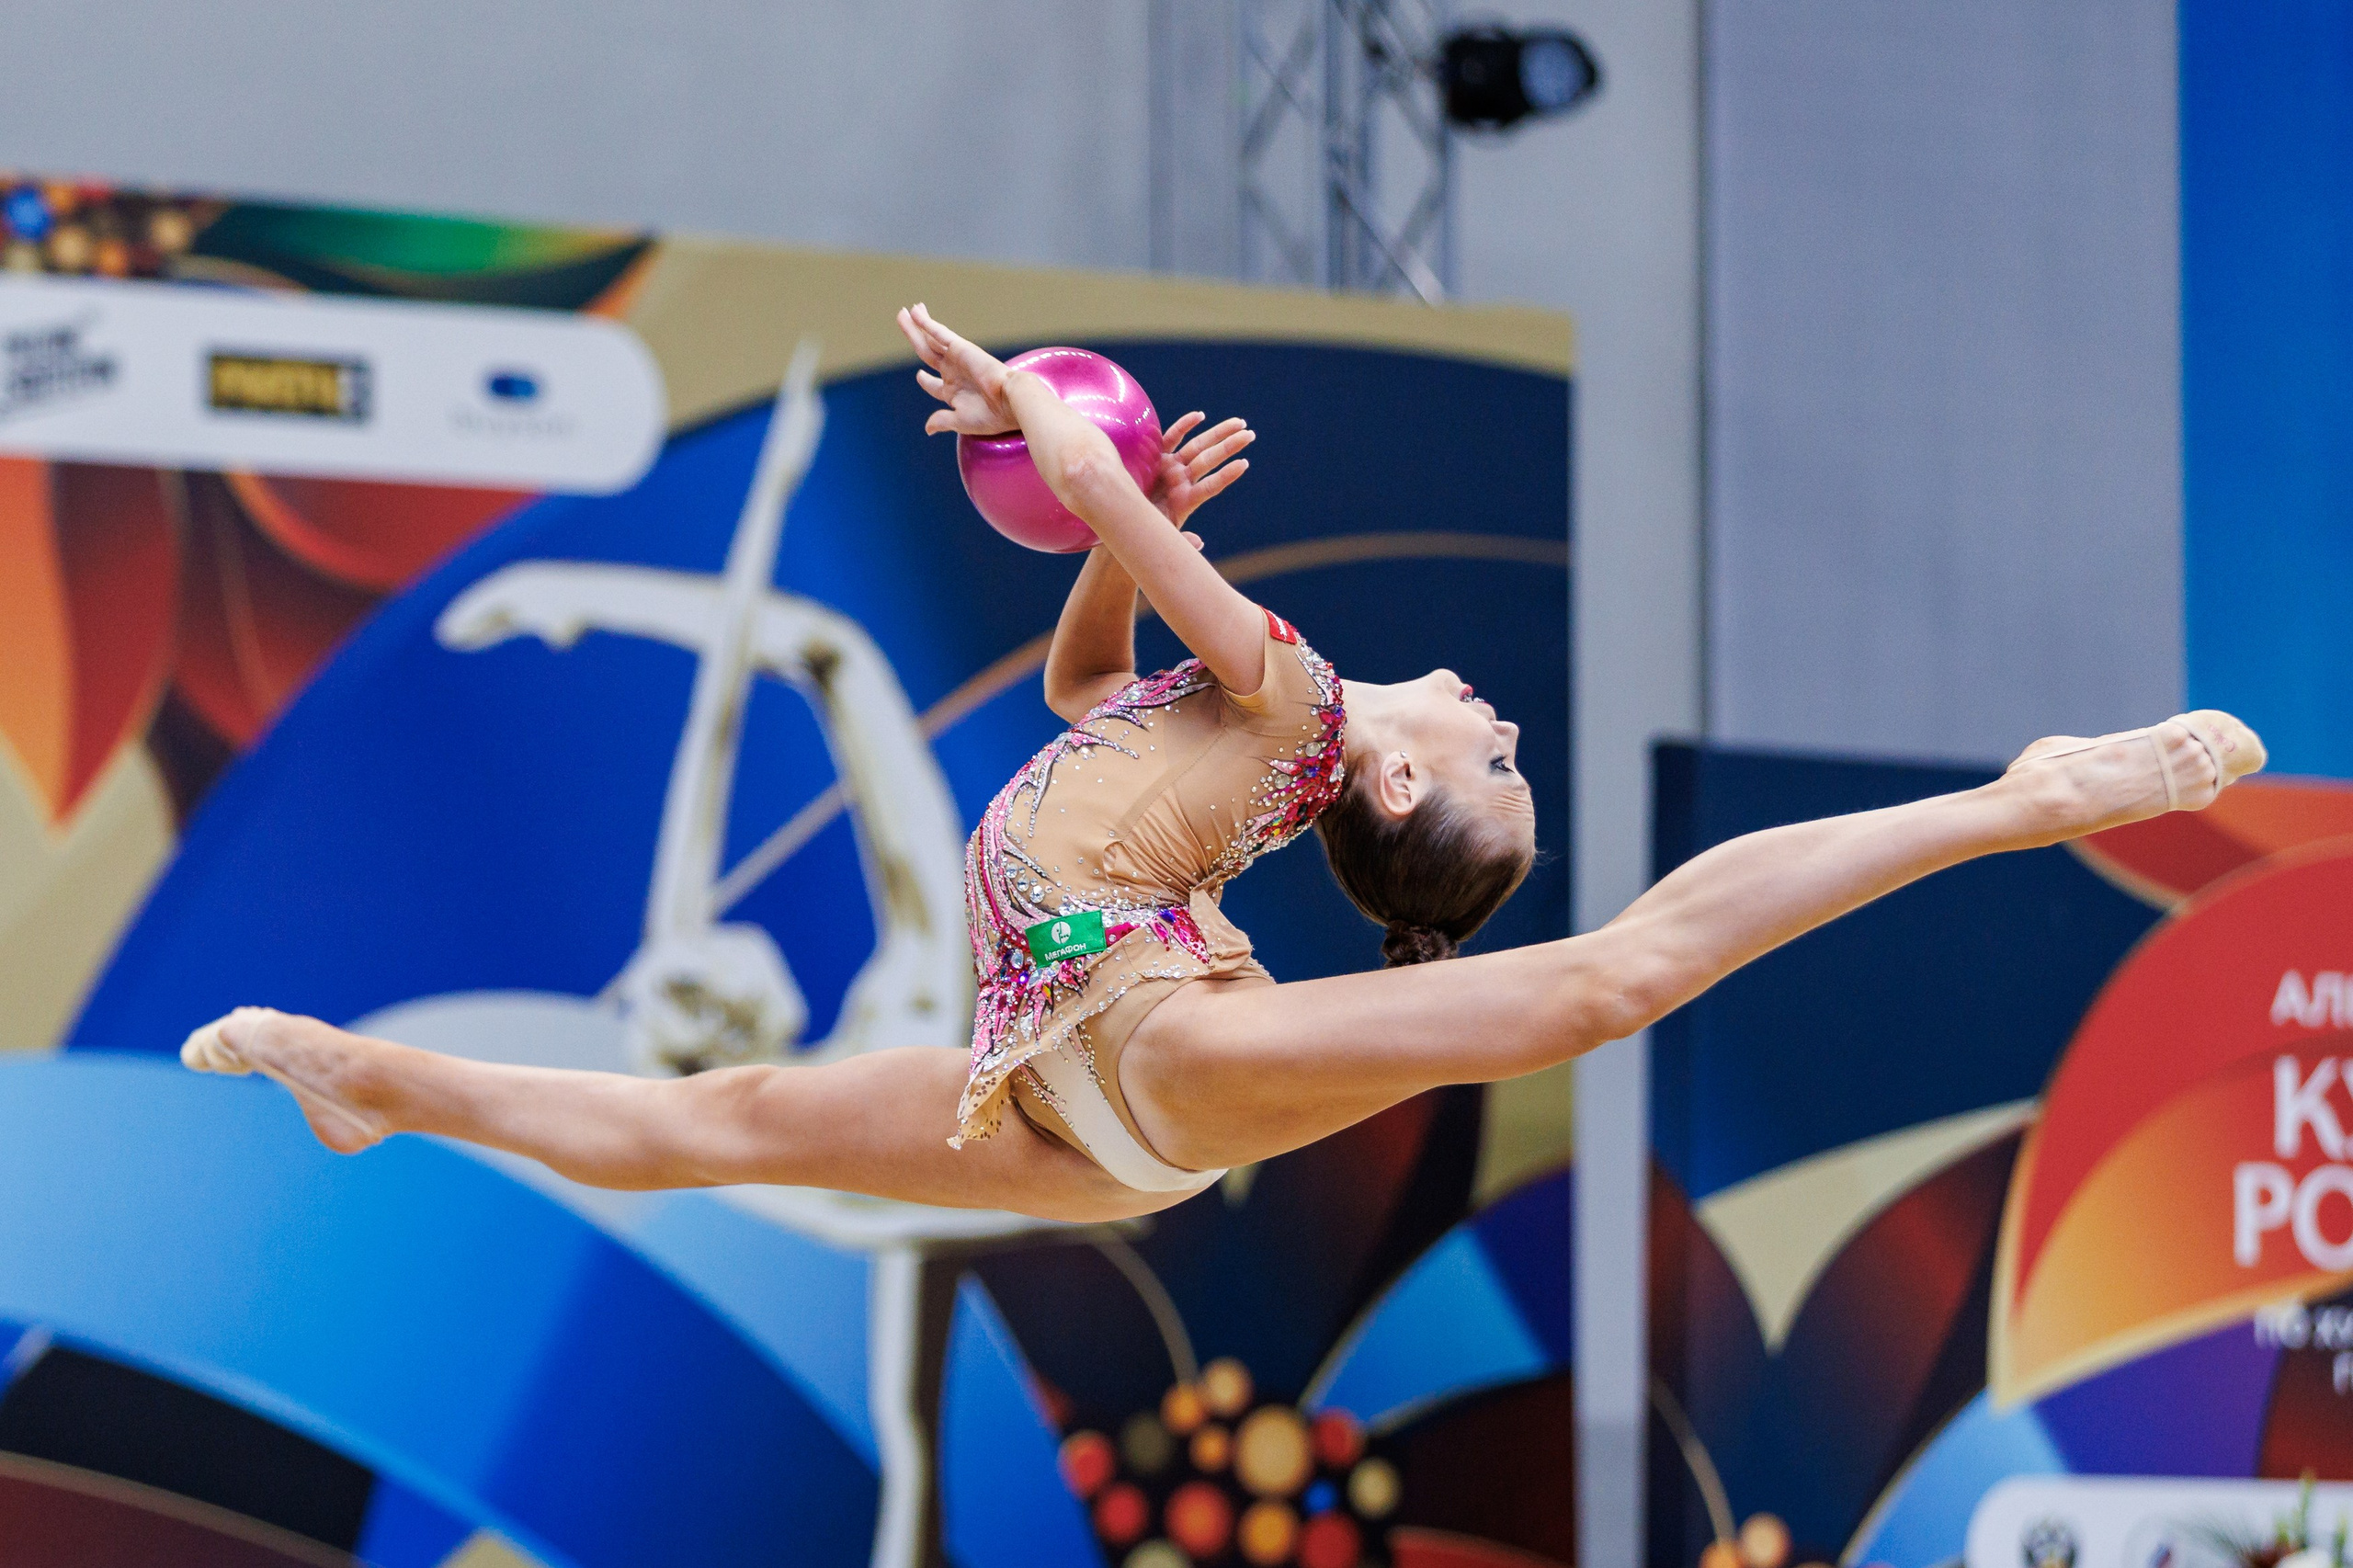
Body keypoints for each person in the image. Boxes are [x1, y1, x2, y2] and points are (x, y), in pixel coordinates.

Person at [179, 302, 2266, 1225]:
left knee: (1601, 982)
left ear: (1387, 788)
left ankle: (2023, 794)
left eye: (1496, 764)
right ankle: (378, 1085)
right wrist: (1101, 515)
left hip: (1142, 1049)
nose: (1499, 719)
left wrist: (1059, 440)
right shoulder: (1247, 744)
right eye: (1514, 747)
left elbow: (1129, 552)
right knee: (719, 1115)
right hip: (1072, 1075)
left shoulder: (1286, 689)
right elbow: (1080, 671)